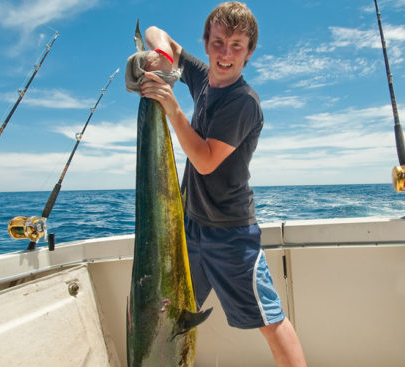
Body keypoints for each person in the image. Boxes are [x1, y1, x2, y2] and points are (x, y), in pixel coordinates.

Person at [137, 2, 306, 366]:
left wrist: (171, 107)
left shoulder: (244, 102)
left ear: (249, 53)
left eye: (236, 46)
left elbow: (205, 159)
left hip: (230, 233)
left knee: (269, 320)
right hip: (191, 227)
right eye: (218, 43)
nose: (225, 53)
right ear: (207, 42)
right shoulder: (201, 78)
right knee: (172, 317)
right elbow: (154, 31)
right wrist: (161, 56)